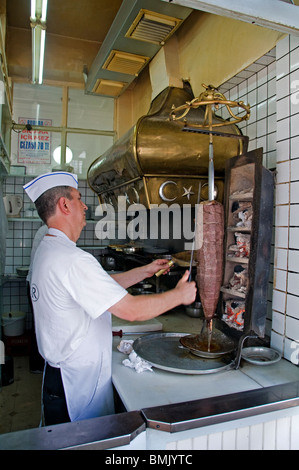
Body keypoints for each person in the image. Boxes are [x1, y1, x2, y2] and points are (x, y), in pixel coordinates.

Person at [23, 172, 196, 426]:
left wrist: (143, 271)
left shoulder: (49, 251)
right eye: (79, 199)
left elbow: (98, 288)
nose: (84, 206)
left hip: (59, 376)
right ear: (64, 205)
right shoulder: (73, 260)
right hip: (76, 385)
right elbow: (131, 310)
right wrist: (179, 295)